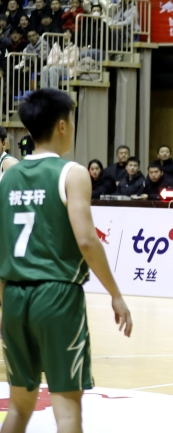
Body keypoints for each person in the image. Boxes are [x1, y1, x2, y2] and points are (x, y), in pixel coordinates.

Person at [0, 89, 131, 433]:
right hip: (56, 295)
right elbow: (86, 240)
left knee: (19, 408)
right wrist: (116, 294)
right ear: (62, 125)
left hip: (13, 296)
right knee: (67, 411)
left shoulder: (7, 177)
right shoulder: (72, 173)